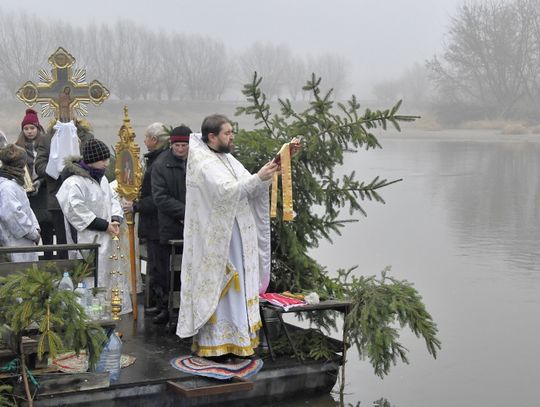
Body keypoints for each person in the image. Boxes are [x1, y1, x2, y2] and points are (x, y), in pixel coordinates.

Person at [176, 114, 282, 358]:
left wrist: (267, 173)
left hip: (237, 237)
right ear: (212, 136)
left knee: (240, 285)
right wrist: (259, 177)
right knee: (221, 287)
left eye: (232, 132)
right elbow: (226, 192)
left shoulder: (228, 159)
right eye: (227, 133)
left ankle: (238, 338)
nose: (232, 136)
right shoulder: (204, 164)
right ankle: (216, 343)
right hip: (218, 242)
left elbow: (249, 185)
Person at [56, 139, 123, 290]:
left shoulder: (103, 179)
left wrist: (115, 219)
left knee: (108, 276)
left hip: (107, 234)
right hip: (86, 239)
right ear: (91, 160)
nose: (107, 163)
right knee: (89, 279)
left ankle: (109, 309)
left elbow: (112, 199)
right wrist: (104, 225)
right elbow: (76, 211)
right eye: (103, 160)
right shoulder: (74, 183)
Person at [122, 123, 170, 316]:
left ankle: (164, 305)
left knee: (160, 267)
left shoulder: (159, 162)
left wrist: (137, 206)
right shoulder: (157, 159)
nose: (143, 141)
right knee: (154, 266)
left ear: (154, 140)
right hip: (154, 225)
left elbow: (158, 197)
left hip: (157, 224)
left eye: (146, 137)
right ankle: (159, 303)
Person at [35, 119, 94, 259]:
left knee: (83, 236)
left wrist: (77, 170)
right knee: (62, 240)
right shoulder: (47, 138)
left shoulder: (86, 137)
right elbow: (39, 165)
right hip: (57, 194)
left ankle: (87, 271)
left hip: (82, 194)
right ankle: (64, 273)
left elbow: (92, 161)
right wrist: (54, 170)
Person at [151, 125, 191, 324]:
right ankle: (167, 308)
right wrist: (186, 212)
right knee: (166, 271)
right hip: (170, 225)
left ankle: (186, 308)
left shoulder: (196, 162)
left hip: (193, 226)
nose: (181, 149)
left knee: (187, 269)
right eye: (177, 145)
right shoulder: (161, 165)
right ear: (171, 144)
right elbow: (160, 197)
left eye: (184, 145)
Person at [15, 109, 55, 258]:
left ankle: (49, 255)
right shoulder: (18, 147)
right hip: (26, 192)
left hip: (43, 190)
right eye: (26, 129)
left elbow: (50, 168)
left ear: (38, 128)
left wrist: (41, 182)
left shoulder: (45, 145)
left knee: (46, 223)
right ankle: (30, 258)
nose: (29, 131)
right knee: (29, 225)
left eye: (32, 128)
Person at [0, 144, 41, 262]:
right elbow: (12, 215)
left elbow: (25, 209)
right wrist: (32, 233)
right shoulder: (7, 187)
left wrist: (35, 228)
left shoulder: (13, 183)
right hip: (15, 242)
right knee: (20, 274)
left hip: (22, 241)